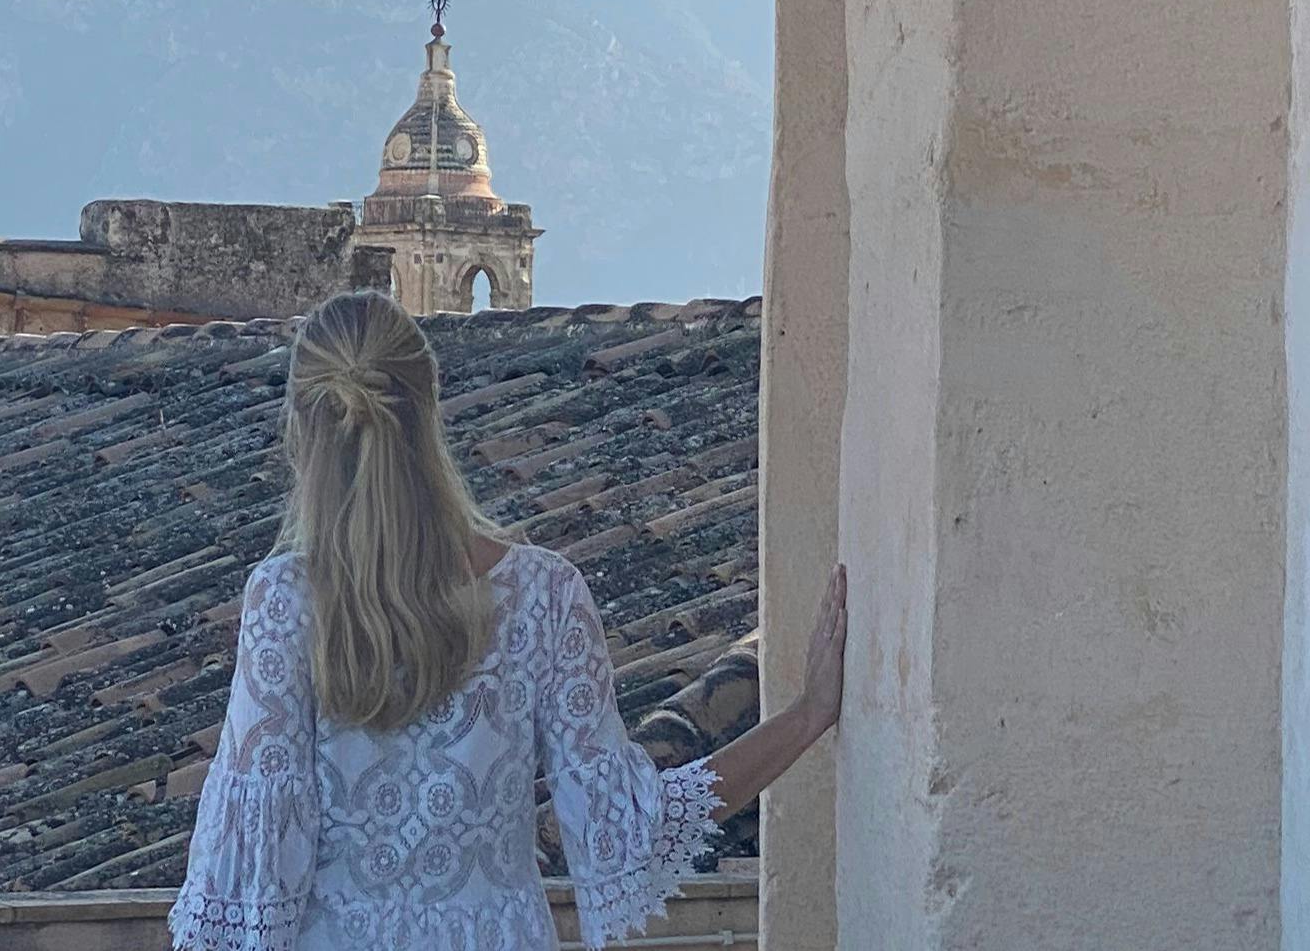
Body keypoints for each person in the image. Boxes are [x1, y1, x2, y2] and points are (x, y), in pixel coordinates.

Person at [169, 288, 847, 951]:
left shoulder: (284, 601)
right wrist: (808, 713)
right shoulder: (544, 594)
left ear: (302, 427)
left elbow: (251, 884)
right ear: (431, 406)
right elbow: (631, 827)